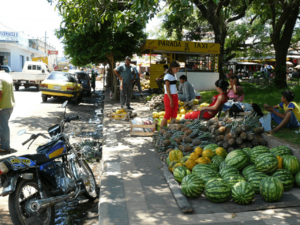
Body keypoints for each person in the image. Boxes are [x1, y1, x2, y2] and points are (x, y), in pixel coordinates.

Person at [0, 65, 15, 152]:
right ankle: (3, 144)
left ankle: (5, 147)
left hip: (3, 107)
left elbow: (0, 92)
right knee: (2, 126)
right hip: (9, 105)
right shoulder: (7, 75)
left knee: (3, 127)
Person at [160, 61, 180, 128]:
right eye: (176, 68)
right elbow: (167, 89)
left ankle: (172, 130)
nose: (178, 70)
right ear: (172, 68)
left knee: (174, 115)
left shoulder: (174, 75)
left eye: (178, 68)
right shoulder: (167, 76)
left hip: (175, 96)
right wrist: (171, 99)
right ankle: (160, 130)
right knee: (167, 115)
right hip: (169, 97)